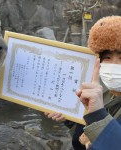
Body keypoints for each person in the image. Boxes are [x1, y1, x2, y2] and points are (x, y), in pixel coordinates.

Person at [45, 16, 121, 150]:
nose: (114, 65)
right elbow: (81, 134)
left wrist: (98, 119)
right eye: (107, 58)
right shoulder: (105, 94)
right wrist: (68, 117)